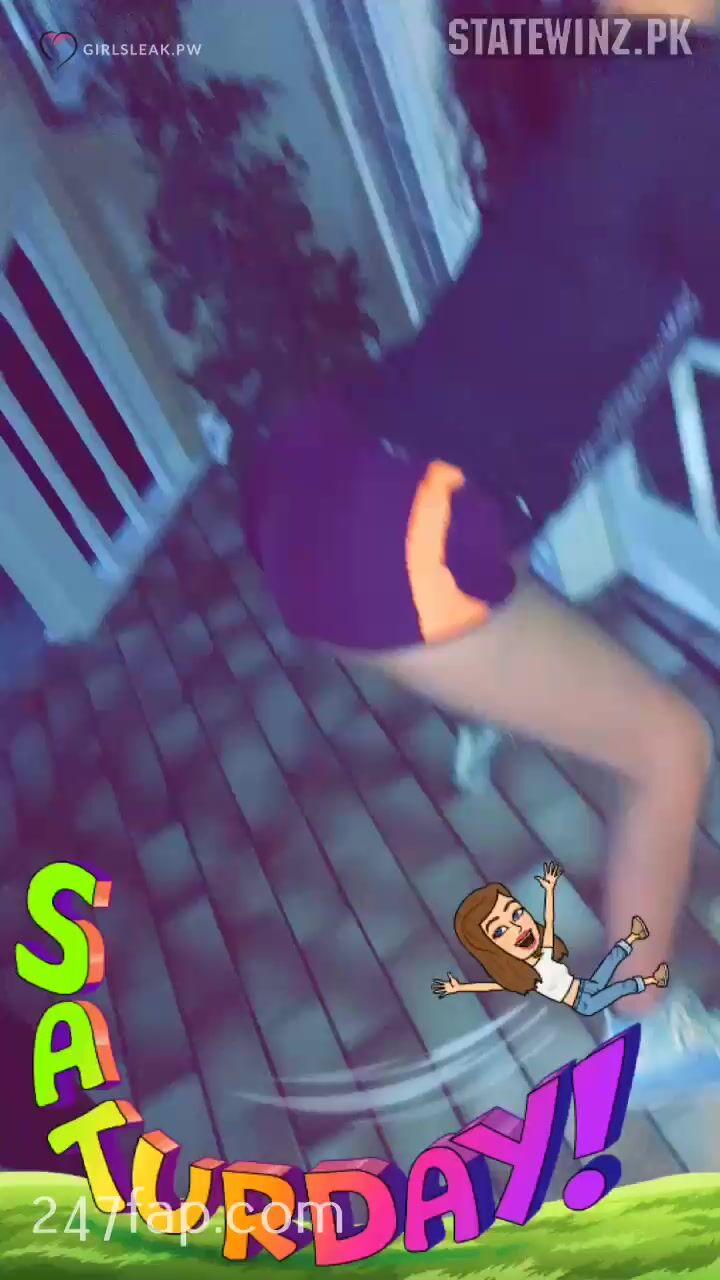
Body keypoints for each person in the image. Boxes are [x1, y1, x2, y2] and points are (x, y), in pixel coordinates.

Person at [242, 0, 720, 1106]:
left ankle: (485, 691)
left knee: (523, 591)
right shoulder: (674, 89)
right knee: (668, 745)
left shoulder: (605, 86)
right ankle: (643, 1034)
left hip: (332, 474)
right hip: (392, 525)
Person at [432, 865, 668, 1017]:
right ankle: (651, 980)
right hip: (584, 1002)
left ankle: (633, 938)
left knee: (610, 965)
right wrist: (460, 988)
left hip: (584, 988)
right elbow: (492, 985)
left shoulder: (542, 954)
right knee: (618, 988)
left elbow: (549, 919)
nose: (518, 928)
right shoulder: (524, 976)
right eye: (500, 931)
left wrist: (550, 891)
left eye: (516, 914)